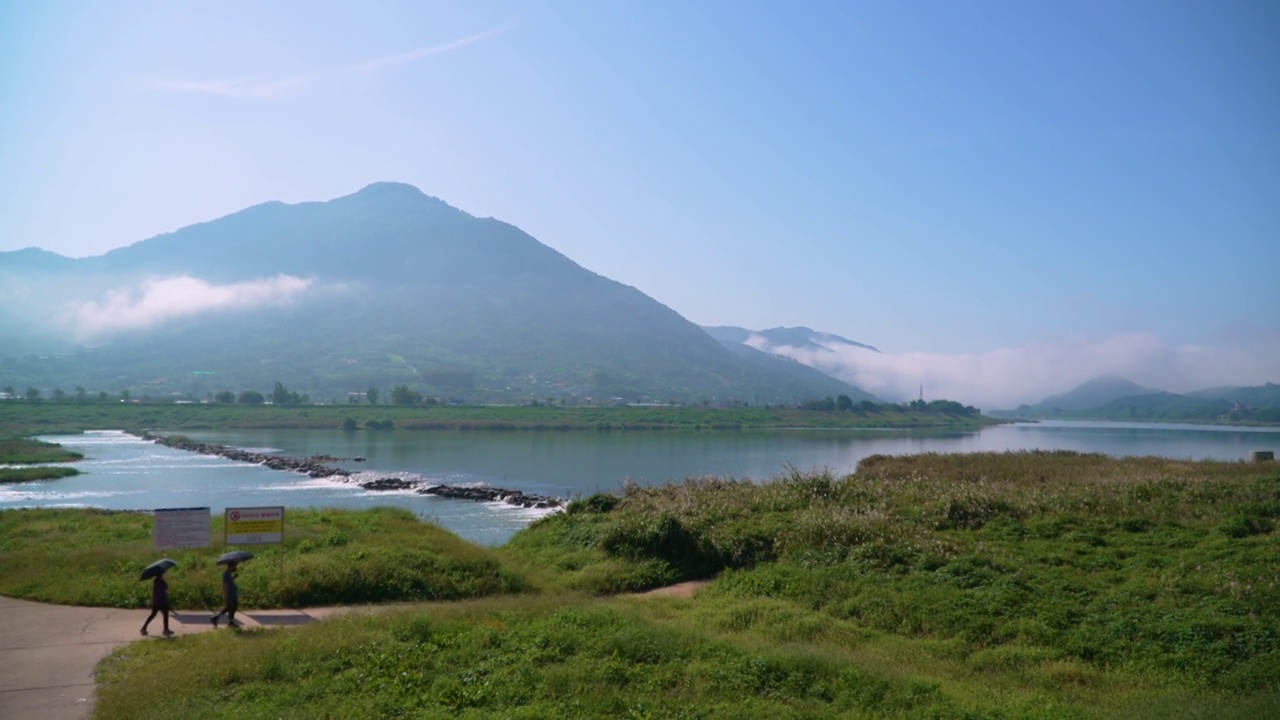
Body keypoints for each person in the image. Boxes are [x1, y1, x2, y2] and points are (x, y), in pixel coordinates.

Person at [140, 571, 172, 636]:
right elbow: (166, 590)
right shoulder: (163, 582)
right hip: (162, 601)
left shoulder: (155, 581)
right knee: (165, 614)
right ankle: (165, 629)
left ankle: (144, 627)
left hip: (156, 601)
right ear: (161, 575)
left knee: (153, 615)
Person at [210, 562, 240, 628]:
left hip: (233, 594)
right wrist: (226, 597)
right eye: (235, 566)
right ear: (231, 566)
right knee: (230, 608)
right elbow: (225, 586)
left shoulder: (229, 574)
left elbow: (229, 582)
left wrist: (234, 577)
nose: (236, 568)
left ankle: (216, 618)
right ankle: (230, 622)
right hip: (230, 595)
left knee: (230, 608)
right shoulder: (226, 574)